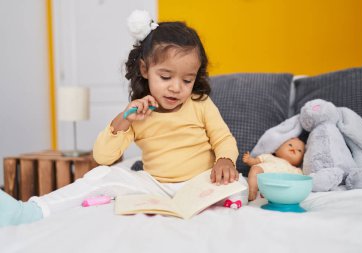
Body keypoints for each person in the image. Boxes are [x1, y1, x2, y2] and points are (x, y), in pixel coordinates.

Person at [0, 10, 247, 227]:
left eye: (186, 80)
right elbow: (103, 157)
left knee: (240, 183)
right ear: (144, 70)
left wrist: (224, 160)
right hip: (154, 185)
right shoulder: (138, 112)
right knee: (102, 177)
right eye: (165, 77)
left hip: (200, 182)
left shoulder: (199, 103)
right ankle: (32, 211)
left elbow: (222, 137)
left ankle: (218, 196)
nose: (176, 88)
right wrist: (124, 119)